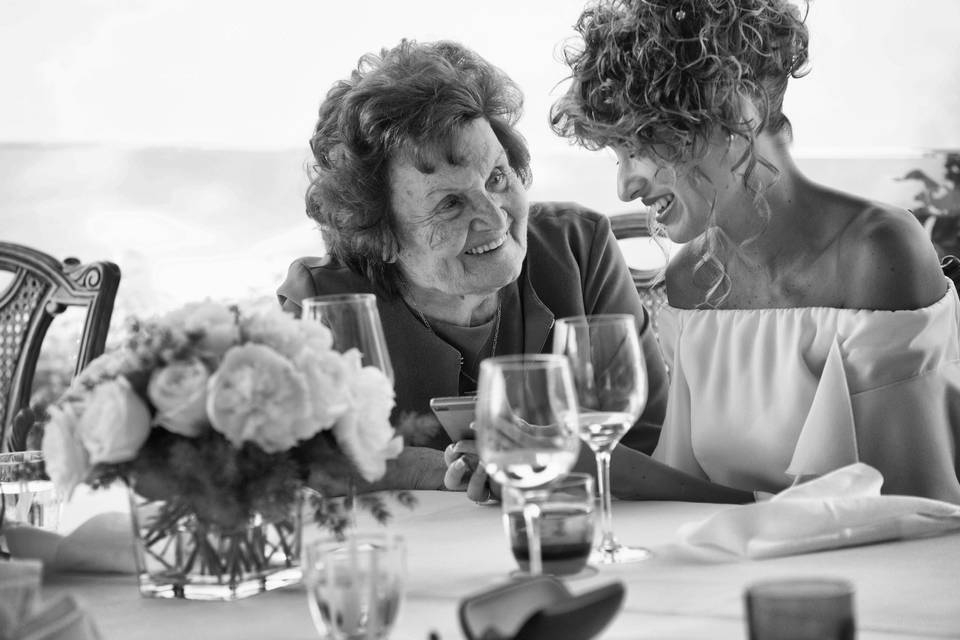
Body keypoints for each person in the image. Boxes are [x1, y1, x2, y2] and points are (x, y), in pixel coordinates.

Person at [547, 0, 960, 502]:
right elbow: (689, 489)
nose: (624, 186)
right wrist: (573, 465)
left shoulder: (878, 252)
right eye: (617, 156)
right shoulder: (691, 279)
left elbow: (910, 508)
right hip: (722, 569)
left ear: (732, 114)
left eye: (638, 148)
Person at [276, 39, 670, 492]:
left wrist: (545, 463)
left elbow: (648, 437)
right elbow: (297, 464)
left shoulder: (579, 247)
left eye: (497, 177)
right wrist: (435, 471)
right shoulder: (322, 304)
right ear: (380, 237)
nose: (494, 215)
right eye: (449, 203)